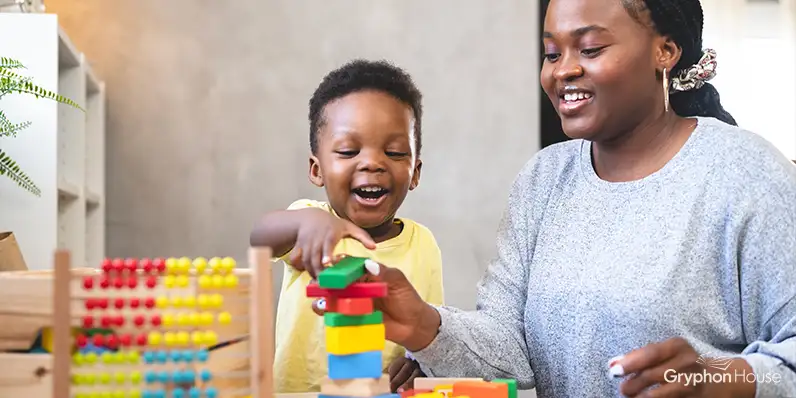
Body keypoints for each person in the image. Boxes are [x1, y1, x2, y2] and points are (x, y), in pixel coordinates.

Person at [299, 1, 796, 397]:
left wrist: (714, 376)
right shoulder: (544, 180)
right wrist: (425, 325)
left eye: (592, 49)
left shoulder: (743, 172)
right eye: (552, 53)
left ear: (665, 51)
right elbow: (509, 353)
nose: (563, 72)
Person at [249, 59, 445, 394]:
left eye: (395, 153)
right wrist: (303, 223)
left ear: (415, 172)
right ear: (316, 169)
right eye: (348, 150)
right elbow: (259, 237)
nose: (372, 162)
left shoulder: (423, 243)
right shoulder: (307, 221)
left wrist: (419, 364)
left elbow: (430, 330)